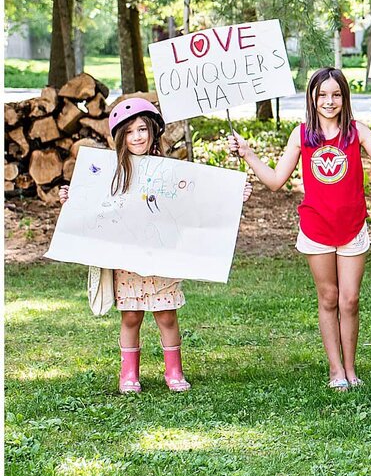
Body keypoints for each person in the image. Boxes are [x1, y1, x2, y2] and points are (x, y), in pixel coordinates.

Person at [229, 67, 371, 390]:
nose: (329, 101)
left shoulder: (358, 132)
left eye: (336, 94)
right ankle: (335, 370)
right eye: (322, 94)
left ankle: (351, 369)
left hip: (352, 226)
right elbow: (274, 181)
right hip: (316, 229)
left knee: (350, 300)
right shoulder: (301, 136)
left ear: (345, 97)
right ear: (312, 98)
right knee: (328, 297)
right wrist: (247, 153)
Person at [59, 97, 251, 393]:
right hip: (128, 261)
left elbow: (196, 201)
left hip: (162, 256)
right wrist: (71, 199)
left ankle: (174, 372)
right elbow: (92, 204)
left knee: (166, 315)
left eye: (142, 130)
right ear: (120, 137)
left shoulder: (169, 171)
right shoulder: (110, 172)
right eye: (130, 131)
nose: (137, 137)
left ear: (153, 134)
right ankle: (129, 374)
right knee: (131, 316)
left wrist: (233, 195)